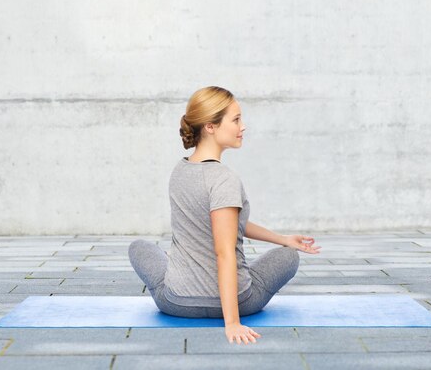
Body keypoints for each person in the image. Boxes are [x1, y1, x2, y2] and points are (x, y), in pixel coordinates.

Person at [128, 86, 321, 345]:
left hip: (176, 301)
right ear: (210, 126)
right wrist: (232, 322)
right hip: (241, 303)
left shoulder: (179, 172)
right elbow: (224, 252)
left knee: (139, 247)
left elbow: (230, 224)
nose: (243, 126)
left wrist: (282, 237)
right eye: (236, 119)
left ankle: (180, 269)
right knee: (288, 258)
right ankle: (225, 302)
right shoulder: (224, 180)